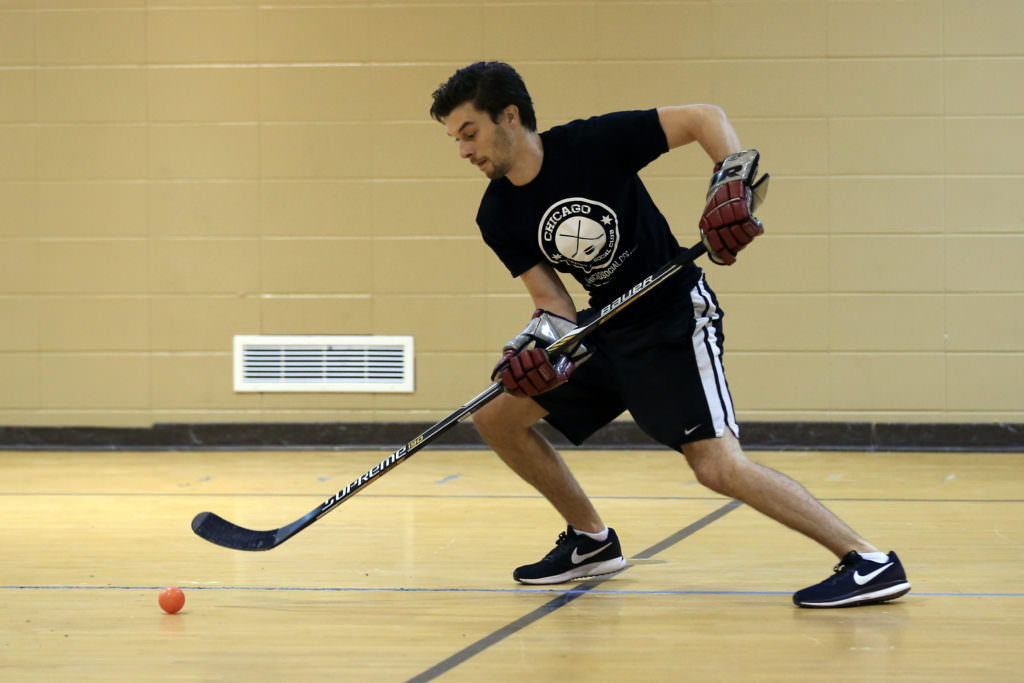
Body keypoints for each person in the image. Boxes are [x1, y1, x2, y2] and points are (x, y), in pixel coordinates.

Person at [428, 61, 910, 608]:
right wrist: (538, 350)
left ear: (509, 116)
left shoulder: (592, 144)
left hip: (672, 318)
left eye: (470, 134)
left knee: (717, 466)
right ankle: (591, 541)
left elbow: (705, 119)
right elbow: (553, 303)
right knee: (497, 417)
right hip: (605, 325)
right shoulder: (497, 212)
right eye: (455, 140)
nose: (464, 151)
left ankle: (868, 560)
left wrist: (731, 186)